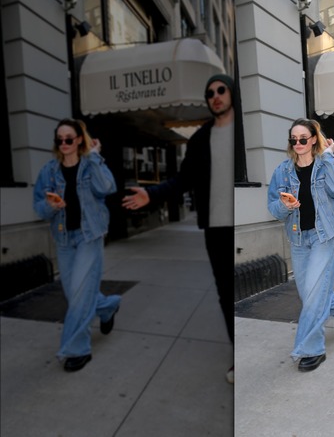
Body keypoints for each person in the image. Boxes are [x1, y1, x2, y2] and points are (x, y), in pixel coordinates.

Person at [122, 74, 236, 383]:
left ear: (231, 93)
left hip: (245, 222)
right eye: (210, 92)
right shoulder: (200, 138)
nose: (215, 96)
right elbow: (182, 180)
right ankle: (238, 354)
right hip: (216, 228)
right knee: (226, 293)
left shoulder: (248, 131)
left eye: (221, 90)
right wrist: (152, 194)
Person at [33, 118, 120, 372]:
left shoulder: (89, 164)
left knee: (80, 295)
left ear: (79, 139)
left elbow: (108, 187)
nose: (64, 144)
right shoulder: (48, 171)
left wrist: (94, 157)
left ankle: (76, 349)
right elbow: (39, 207)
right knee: (76, 295)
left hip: (89, 236)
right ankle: (108, 305)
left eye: (69, 139)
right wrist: (50, 206)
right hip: (63, 239)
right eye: (59, 140)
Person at [267, 118, 334, 372]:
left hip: (323, 236)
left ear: (313, 139)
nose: (298, 144)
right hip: (298, 238)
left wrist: (328, 157)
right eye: (293, 139)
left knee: (315, 294)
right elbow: (273, 208)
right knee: (311, 295)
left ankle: (311, 349)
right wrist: (285, 205)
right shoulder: (282, 171)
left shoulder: (324, 165)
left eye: (303, 139)